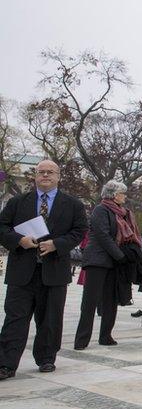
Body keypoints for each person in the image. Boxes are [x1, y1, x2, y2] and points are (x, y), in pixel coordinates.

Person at [0, 160, 87, 379]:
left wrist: (57, 244)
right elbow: (2, 227)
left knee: (50, 318)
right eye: (41, 172)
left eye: (50, 172)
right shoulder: (18, 202)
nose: (45, 175)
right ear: (35, 176)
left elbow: (80, 231)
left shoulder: (73, 204)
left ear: (58, 176)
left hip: (54, 270)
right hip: (22, 271)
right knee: (15, 318)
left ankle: (46, 358)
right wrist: (19, 240)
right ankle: (6, 364)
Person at [74, 180, 136, 350]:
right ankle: (82, 338)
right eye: (123, 193)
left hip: (114, 262)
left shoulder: (123, 213)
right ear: (114, 195)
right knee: (90, 300)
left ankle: (106, 335)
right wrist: (120, 255)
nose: (125, 196)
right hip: (98, 260)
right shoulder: (101, 209)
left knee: (111, 299)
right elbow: (103, 235)